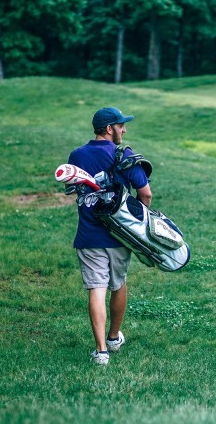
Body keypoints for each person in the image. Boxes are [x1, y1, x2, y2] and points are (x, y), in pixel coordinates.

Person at [68, 107, 152, 365]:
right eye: (120, 125)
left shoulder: (77, 155)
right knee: (118, 284)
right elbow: (145, 193)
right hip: (119, 235)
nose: (124, 130)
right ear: (108, 129)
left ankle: (101, 351)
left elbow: (72, 188)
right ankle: (114, 337)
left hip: (88, 236)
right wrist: (138, 223)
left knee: (96, 288)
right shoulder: (122, 154)